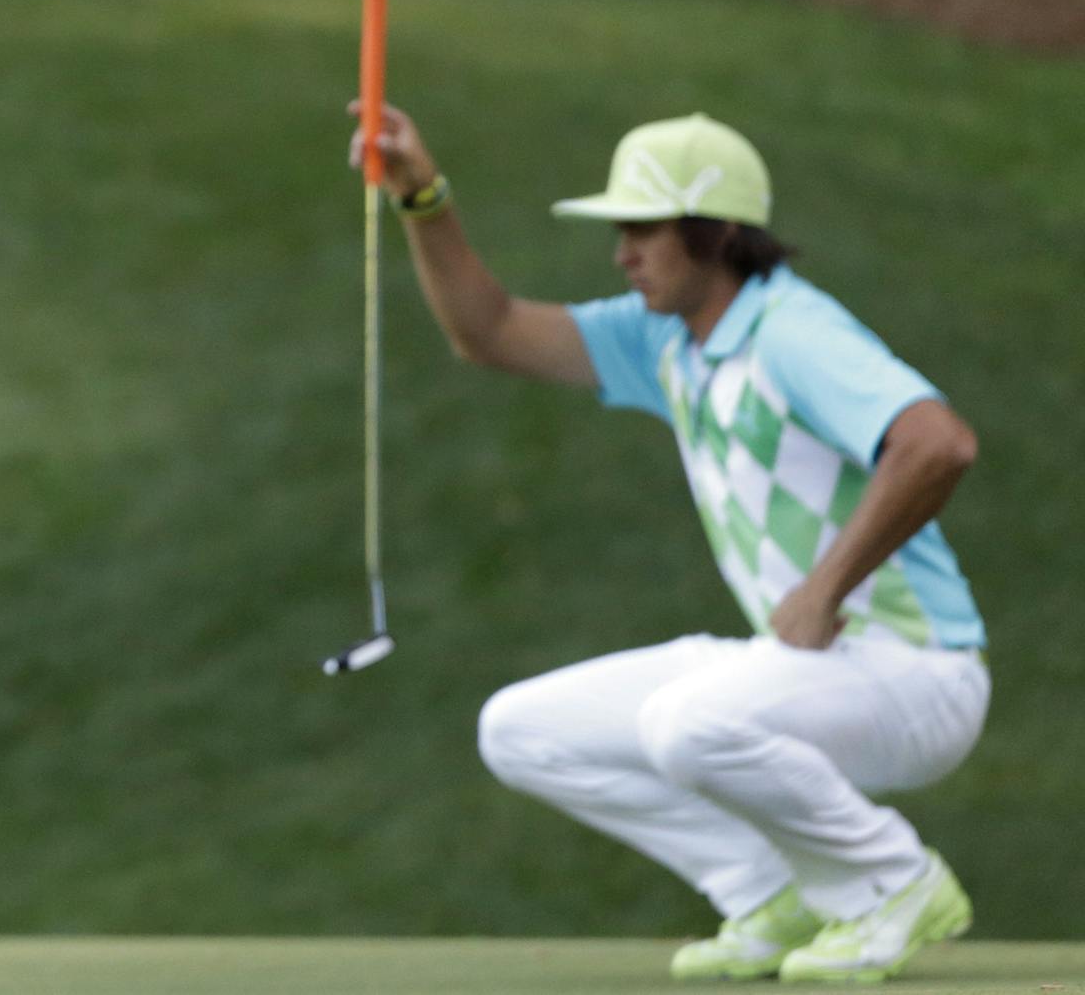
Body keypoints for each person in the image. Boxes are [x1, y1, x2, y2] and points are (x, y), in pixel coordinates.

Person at [351, 106, 988, 985]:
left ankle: (892, 880)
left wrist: (822, 590)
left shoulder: (793, 332)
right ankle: (772, 891)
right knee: (523, 731)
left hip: (920, 673)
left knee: (688, 724)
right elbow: (489, 332)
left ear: (718, 232)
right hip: (811, 666)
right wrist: (422, 196)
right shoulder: (666, 339)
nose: (623, 253)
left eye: (644, 230)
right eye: (621, 231)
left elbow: (938, 442)